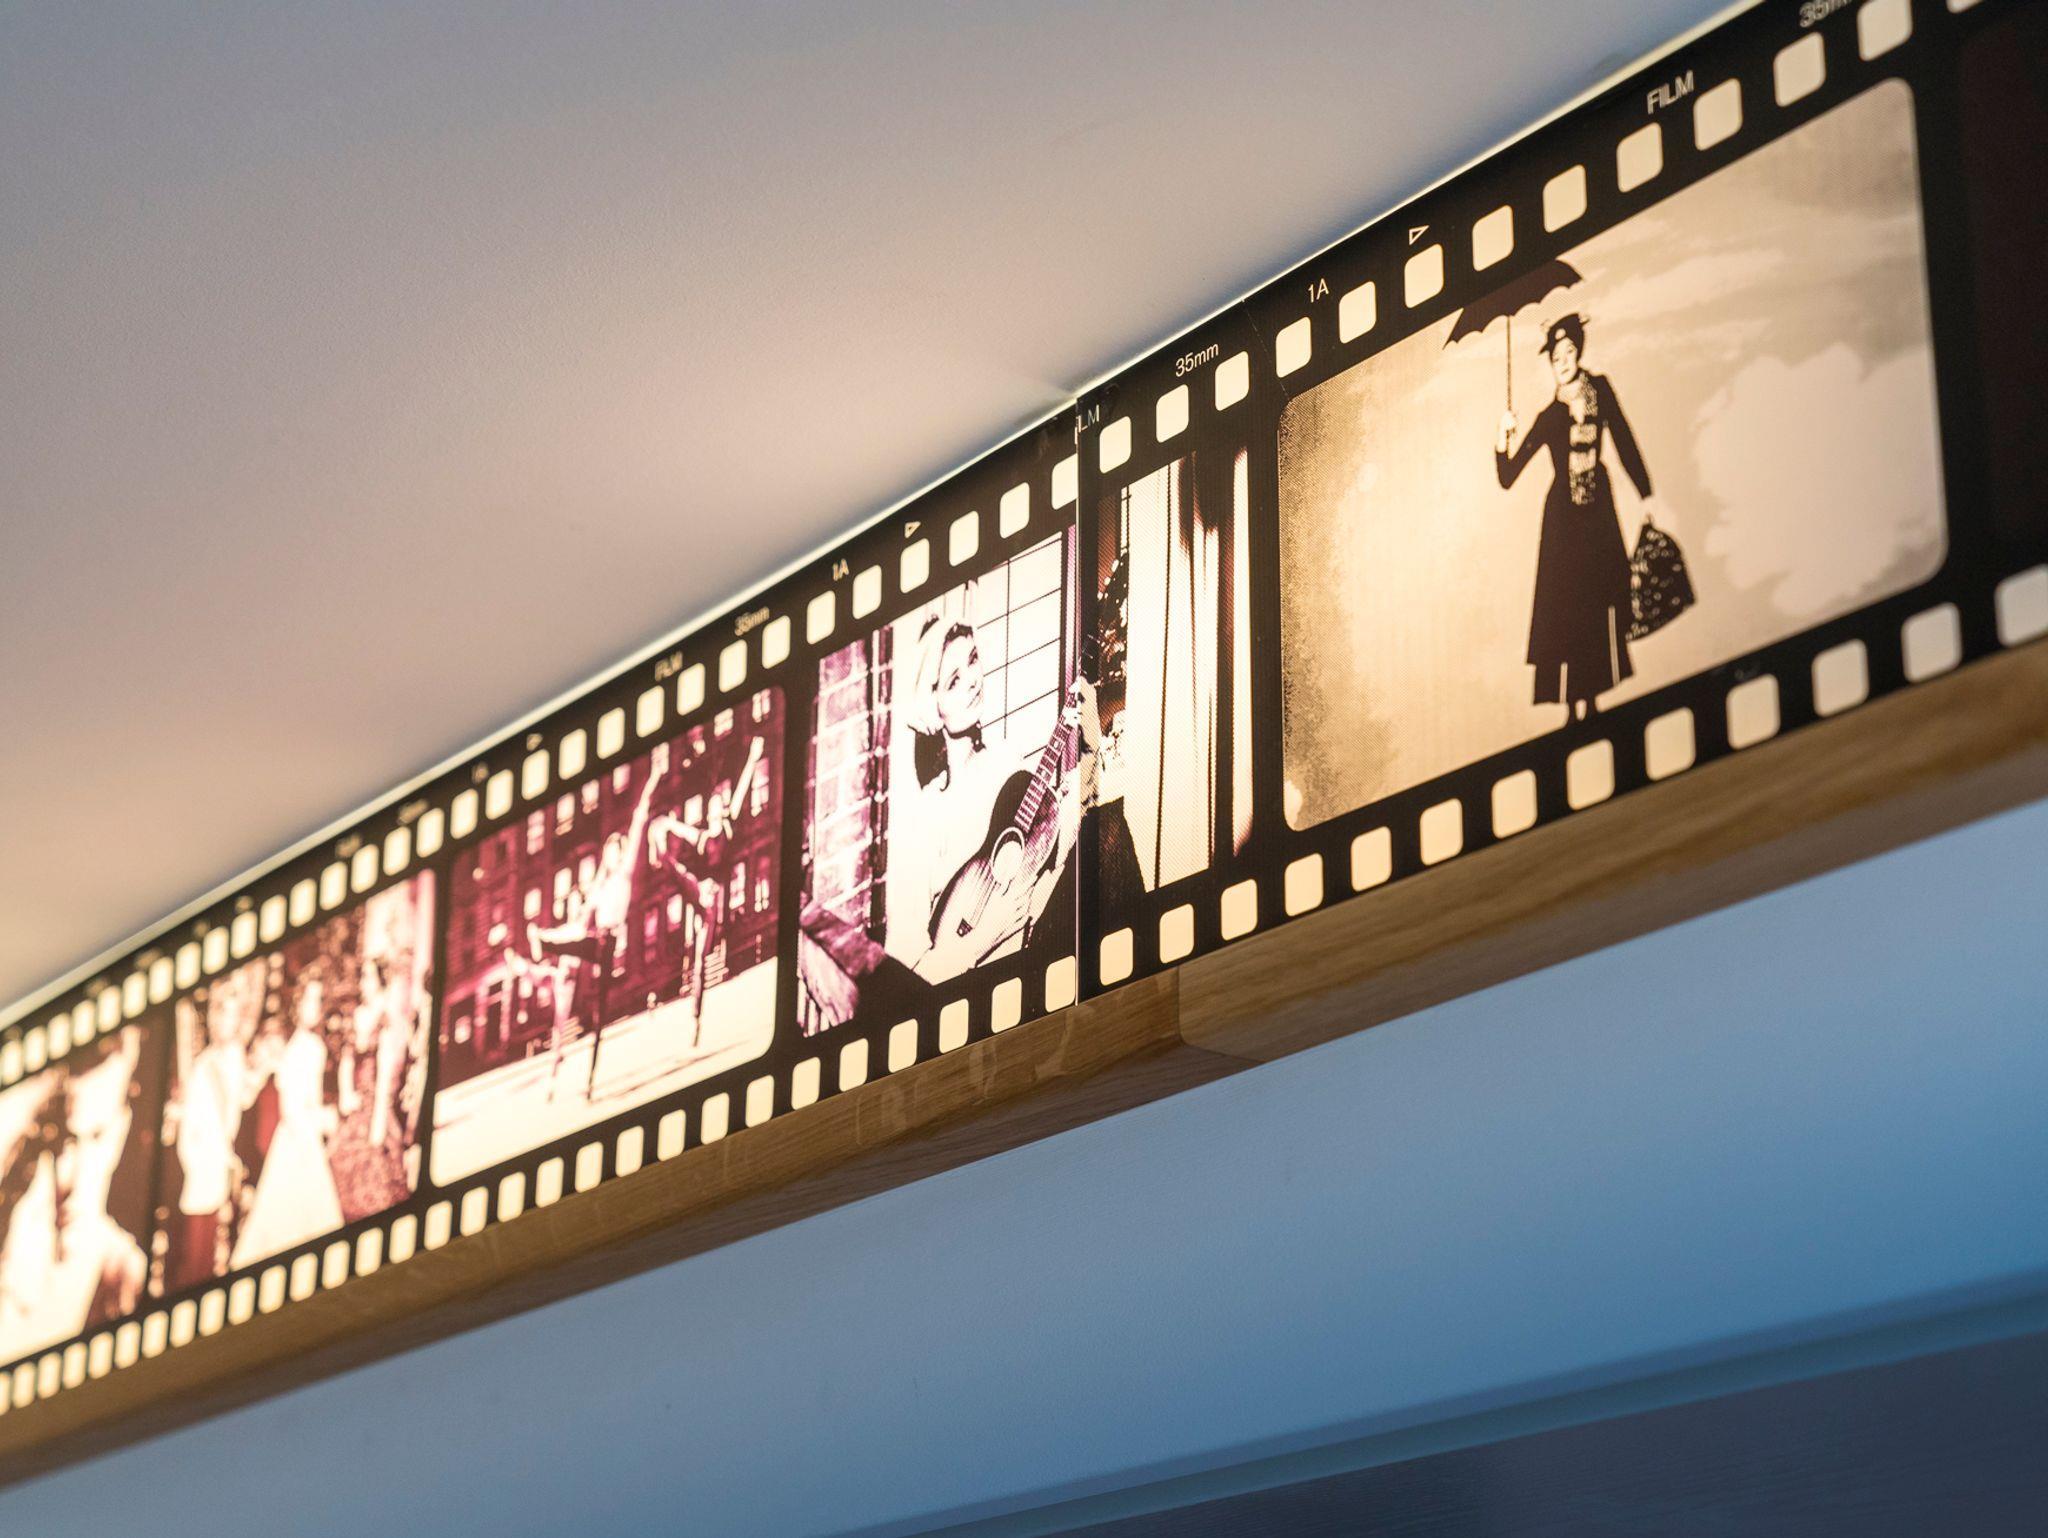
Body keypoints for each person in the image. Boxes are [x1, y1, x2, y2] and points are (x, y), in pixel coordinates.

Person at [893, 599, 1098, 982]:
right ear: (932, 704)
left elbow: (1048, 852)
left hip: (1036, 951)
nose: (972, 679)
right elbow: (914, 973)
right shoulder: (927, 815)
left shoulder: (1006, 758)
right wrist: (984, 937)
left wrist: (1089, 752)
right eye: (953, 680)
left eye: (973, 659)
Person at [1494, 313, 1657, 721]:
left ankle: (1595, 700)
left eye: (1569, 352)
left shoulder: (1600, 389)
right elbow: (1508, 475)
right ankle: (1571, 707)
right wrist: (1502, 435)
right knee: (1566, 608)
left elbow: (1624, 439)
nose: (1563, 362)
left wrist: (1646, 494)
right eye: (1556, 356)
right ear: (1549, 362)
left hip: (1598, 516)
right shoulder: (1550, 416)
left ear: (1579, 351)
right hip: (1562, 524)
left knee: (1599, 601)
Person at [0, 1033, 148, 1361]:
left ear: (122, 1128)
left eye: (97, 1136)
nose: (76, 1171)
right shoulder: (14, 1240)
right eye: (68, 1140)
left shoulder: (120, 1272)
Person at [520, 769, 663, 1097]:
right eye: (610, 852)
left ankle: (545, 941)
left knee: (584, 955)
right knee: (576, 938)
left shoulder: (624, 873)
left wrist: (653, 776)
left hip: (608, 942)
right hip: (594, 941)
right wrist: (562, 932)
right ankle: (545, 942)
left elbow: (638, 819)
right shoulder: (599, 887)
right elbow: (580, 923)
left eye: (617, 851)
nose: (614, 856)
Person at [647, 735, 765, 1048]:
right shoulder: (701, 837)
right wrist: (665, 825)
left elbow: (740, 792)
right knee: (677, 871)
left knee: (700, 959)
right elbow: (683, 830)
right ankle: (660, 857)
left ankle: (696, 1019)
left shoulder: (726, 828)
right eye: (710, 812)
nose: (713, 815)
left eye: (717, 810)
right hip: (697, 890)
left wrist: (753, 758)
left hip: (710, 903)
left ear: (721, 813)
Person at [232, 977, 344, 1268]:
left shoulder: (312, 1047)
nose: (314, 1007)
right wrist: (322, 1120)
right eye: (309, 1000)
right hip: (296, 1139)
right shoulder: (298, 1047)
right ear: (298, 1004)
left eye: (318, 1001)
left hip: (300, 1137)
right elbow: (292, 1108)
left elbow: (307, 1102)